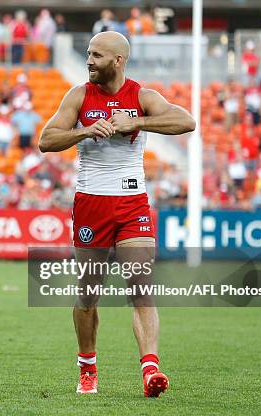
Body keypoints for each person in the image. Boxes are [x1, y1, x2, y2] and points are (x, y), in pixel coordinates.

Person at [38, 31, 195, 397]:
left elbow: (186, 122)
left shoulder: (142, 97)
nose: (89, 60)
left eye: (96, 55)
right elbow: (47, 140)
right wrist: (85, 131)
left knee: (140, 288)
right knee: (88, 294)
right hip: (91, 203)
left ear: (118, 60)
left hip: (132, 203)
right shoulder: (79, 95)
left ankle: (150, 369)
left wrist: (136, 122)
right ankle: (87, 366)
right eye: (88, 53)